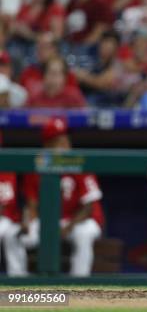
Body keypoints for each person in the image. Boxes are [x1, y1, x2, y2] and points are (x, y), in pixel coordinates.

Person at [20, 117, 105, 276]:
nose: (66, 145)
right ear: (47, 146)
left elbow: (89, 207)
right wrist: (29, 222)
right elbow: (31, 205)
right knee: (23, 237)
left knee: (83, 235)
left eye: (67, 140)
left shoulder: (79, 162)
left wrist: (68, 227)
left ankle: (79, 283)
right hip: (50, 219)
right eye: (59, 142)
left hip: (81, 220)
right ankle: (19, 283)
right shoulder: (37, 165)